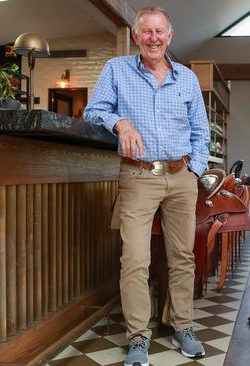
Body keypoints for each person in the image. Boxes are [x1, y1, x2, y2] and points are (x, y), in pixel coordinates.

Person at [84, 6, 209, 366]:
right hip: (137, 176)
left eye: (160, 32)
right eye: (146, 31)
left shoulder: (186, 78)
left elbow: (201, 133)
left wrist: (194, 172)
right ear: (137, 36)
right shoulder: (116, 70)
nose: (153, 38)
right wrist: (119, 121)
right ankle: (138, 337)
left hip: (181, 175)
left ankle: (183, 325)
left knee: (182, 257)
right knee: (135, 260)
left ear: (170, 37)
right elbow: (93, 112)